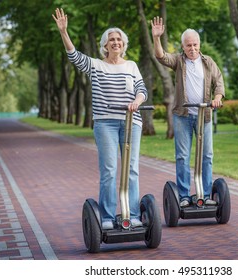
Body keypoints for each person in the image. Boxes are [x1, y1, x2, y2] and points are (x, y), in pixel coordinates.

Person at [53, 8, 148, 229]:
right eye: (111, 40)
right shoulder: (96, 65)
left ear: (124, 45)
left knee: (131, 169)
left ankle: (132, 214)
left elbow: (142, 89)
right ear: (105, 45)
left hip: (131, 121)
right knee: (109, 170)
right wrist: (64, 32)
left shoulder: (131, 66)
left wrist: (138, 102)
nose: (116, 43)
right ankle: (106, 217)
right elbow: (74, 57)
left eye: (119, 40)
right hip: (105, 123)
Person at [151, 17, 225, 207]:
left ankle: (205, 194)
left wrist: (217, 98)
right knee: (182, 156)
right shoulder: (178, 61)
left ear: (199, 45)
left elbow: (219, 82)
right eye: (188, 45)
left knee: (207, 155)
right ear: (183, 47)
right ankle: (183, 196)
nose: (192, 48)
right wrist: (157, 38)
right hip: (183, 116)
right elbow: (161, 56)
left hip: (204, 116)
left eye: (195, 44)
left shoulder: (208, 62)